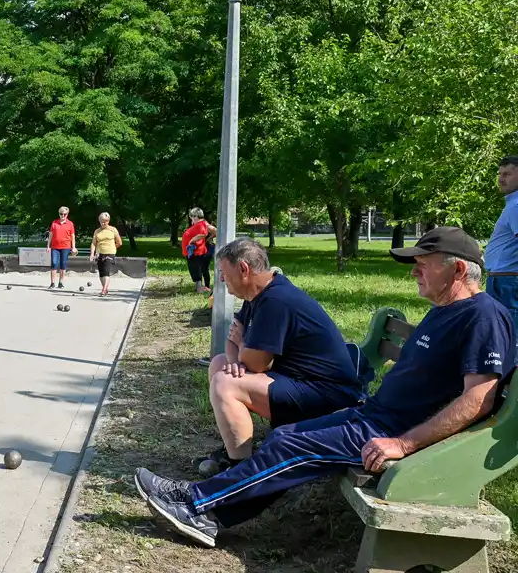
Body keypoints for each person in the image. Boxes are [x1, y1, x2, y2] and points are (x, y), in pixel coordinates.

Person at [133, 227, 514, 548]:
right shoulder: (446, 310)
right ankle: (207, 510)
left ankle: (199, 503)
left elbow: (478, 399)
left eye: (422, 266)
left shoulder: (482, 317)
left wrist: (403, 444)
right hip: (374, 417)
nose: (414, 273)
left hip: (389, 431)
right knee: (284, 438)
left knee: (292, 447)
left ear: (459, 269)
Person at [194, 237, 364, 476]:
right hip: (300, 382)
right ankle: (236, 451)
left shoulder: (276, 300)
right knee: (220, 364)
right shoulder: (259, 295)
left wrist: (242, 347)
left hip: (329, 397)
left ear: (243, 269)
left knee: (225, 383)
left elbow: (255, 362)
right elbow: (232, 341)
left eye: (224, 273)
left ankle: (240, 472)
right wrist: (236, 360)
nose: (222, 279)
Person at [485, 155, 518, 350]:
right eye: (500, 174)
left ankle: (510, 378)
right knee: (502, 334)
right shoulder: (512, 204)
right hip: (502, 280)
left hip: (508, 282)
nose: (501, 178)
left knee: (509, 336)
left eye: (507, 174)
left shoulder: (516, 206)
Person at [182, 208, 217, 294]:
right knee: (197, 269)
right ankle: (201, 287)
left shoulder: (204, 224)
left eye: (192, 216)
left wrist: (206, 238)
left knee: (200, 269)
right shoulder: (198, 224)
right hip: (197, 250)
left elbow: (214, 231)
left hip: (202, 250)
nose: (191, 218)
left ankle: (203, 288)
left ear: (196, 216)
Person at [88, 212, 123, 296]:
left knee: (106, 271)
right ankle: (105, 288)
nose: (104, 223)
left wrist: (113, 248)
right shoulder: (97, 231)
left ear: (108, 221)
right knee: (101, 273)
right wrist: (92, 254)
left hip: (110, 253)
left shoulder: (113, 229)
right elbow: (93, 243)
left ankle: (103, 290)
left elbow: (119, 242)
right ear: (99, 221)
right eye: (102, 221)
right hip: (100, 253)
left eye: (106, 221)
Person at [47, 206, 77, 289]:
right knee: (54, 263)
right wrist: (48, 246)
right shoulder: (54, 223)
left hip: (66, 247)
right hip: (55, 247)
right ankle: (52, 283)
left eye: (65, 214)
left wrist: (73, 247)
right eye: (61, 214)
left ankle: (61, 282)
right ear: (59, 214)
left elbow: (72, 236)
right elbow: (50, 235)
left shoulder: (70, 224)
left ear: (67, 214)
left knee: (63, 264)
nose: (63, 216)